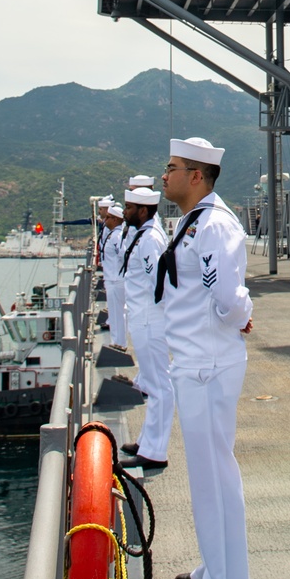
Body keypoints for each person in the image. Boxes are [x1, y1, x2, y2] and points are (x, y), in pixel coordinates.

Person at [156, 136, 254, 579]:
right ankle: (214, 569)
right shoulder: (193, 222)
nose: (163, 175)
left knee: (215, 479)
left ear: (197, 176)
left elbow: (228, 297)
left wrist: (242, 315)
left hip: (208, 366)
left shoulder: (213, 226)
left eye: (171, 167)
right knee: (206, 478)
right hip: (196, 362)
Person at [118, 185, 171, 467]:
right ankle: (147, 441)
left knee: (160, 385)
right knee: (152, 383)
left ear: (142, 210)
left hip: (151, 320)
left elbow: (158, 285)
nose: (124, 212)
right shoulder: (141, 235)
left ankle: (155, 452)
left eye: (128, 208)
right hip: (142, 320)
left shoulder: (150, 239)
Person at [99, 201, 127, 348]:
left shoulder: (117, 237)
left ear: (116, 219)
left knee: (117, 314)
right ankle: (116, 341)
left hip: (116, 280)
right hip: (111, 279)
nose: (106, 219)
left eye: (109, 217)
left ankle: (119, 343)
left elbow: (123, 256)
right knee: (115, 314)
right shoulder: (113, 235)